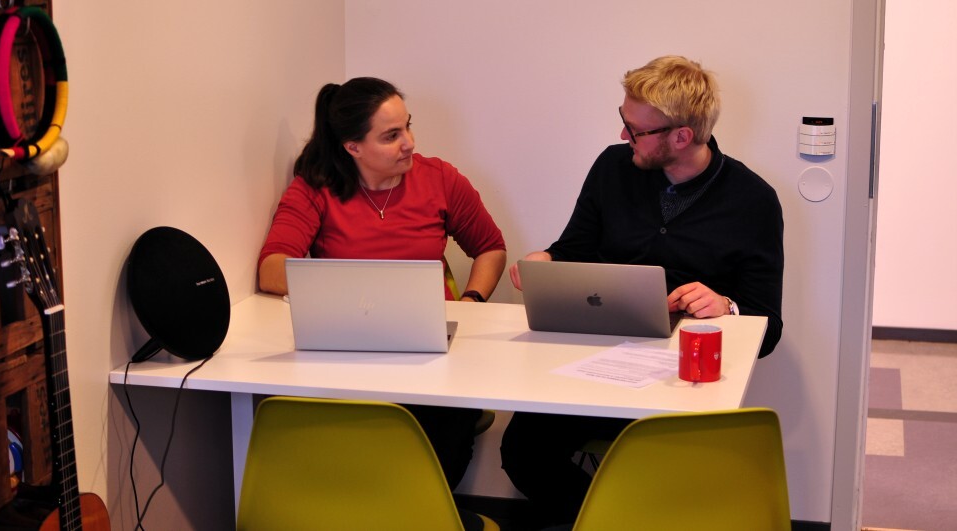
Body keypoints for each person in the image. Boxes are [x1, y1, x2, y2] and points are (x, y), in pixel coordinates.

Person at [501, 55, 784, 527]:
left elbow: (768, 327)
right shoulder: (614, 168)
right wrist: (545, 261)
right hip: (593, 367)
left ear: (681, 136)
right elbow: (573, 249)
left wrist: (726, 306)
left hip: (683, 385)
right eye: (624, 122)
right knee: (523, 453)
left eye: (636, 130)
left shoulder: (752, 200)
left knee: (669, 474)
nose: (622, 137)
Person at [258, 77, 507, 494]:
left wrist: (472, 300)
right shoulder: (316, 187)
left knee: (444, 432)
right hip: (349, 352)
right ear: (352, 147)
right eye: (391, 136)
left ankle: (424, 514)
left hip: (434, 354)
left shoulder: (439, 178)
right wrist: (360, 287)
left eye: (408, 127)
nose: (409, 143)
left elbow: (491, 248)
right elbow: (272, 269)